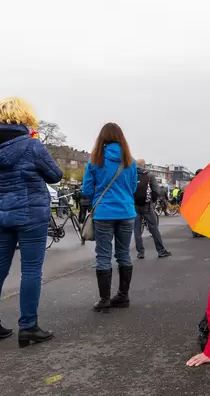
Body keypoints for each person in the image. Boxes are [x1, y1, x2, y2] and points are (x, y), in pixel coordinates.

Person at [0, 97, 63, 345]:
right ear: (25, 116)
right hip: (31, 215)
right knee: (31, 269)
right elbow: (55, 175)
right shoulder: (31, 146)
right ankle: (28, 326)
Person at [83, 123, 138, 311]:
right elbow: (132, 188)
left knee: (103, 255)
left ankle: (104, 299)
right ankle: (123, 296)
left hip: (104, 213)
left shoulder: (95, 159)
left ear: (102, 138)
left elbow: (87, 188)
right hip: (126, 212)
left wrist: (98, 200)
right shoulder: (129, 161)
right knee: (124, 253)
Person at [134, 159, 172, 259]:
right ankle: (161, 251)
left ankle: (140, 253)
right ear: (144, 165)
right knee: (153, 228)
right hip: (147, 206)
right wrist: (152, 201)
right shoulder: (149, 175)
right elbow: (156, 191)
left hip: (134, 206)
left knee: (137, 230)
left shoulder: (131, 175)